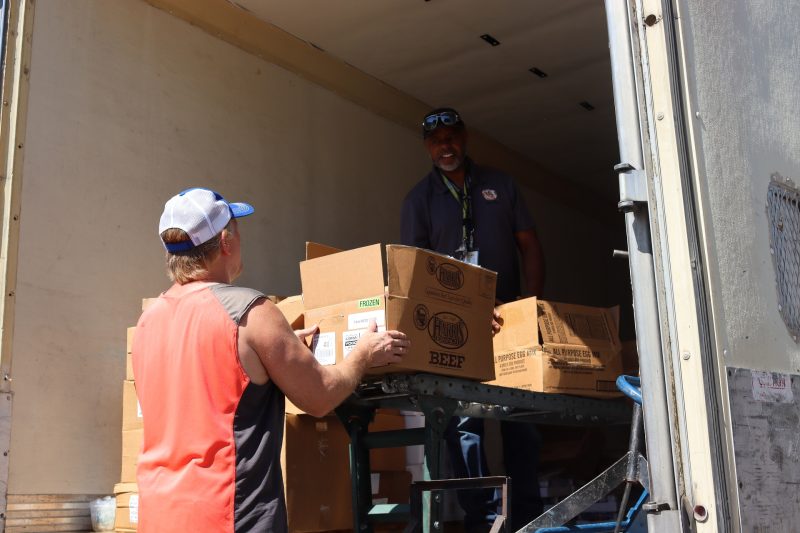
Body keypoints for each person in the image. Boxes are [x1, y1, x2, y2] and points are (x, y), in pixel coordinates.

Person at [132, 187, 410, 532]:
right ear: (225, 241)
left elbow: (204, 381)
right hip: (228, 517)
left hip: (158, 516)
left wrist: (277, 353)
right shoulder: (250, 313)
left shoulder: (148, 322)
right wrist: (365, 353)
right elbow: (320, 396)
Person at [401, 108, 545, 532]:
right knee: (465, 424)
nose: (445, 146)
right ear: (427, 146)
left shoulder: (501, 185)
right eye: (435, 140)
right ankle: (481, 521)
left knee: (523, 419)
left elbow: (530, 246)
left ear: (465, 137)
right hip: (456, 325)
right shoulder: (419, 199)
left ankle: (529, 517)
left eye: (451, 136)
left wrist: (528, 306)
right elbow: (416, 270)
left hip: (509, 318)